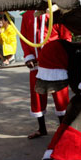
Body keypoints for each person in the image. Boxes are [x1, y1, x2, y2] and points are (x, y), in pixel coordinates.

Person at [20, 10, 72, 138]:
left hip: (55, 63)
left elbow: (66, 37)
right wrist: (28, 56)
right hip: (36, 64)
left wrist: (62, 57)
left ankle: (63, 130)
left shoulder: (56, 13)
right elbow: (24, 38)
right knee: (37, 96)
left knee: (60, 97)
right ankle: (41, 129)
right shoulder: (27, 15)